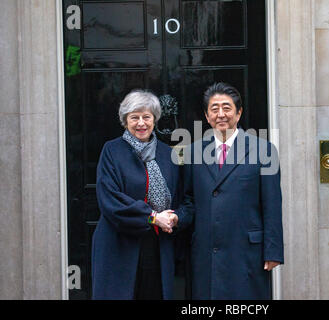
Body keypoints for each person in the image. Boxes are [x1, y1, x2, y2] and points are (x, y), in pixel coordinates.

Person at [173, 82, 284, 299]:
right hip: (206, 252)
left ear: (239, 112)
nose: (221, 114)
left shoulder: (263, 150)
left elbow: (272, 204)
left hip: (246, 251)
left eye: (227, 108)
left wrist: (273, 251)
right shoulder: (194, 152)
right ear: (206, 116)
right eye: (214, 109)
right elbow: (189, 200)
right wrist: (176, 218)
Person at [91, 89, 180, 300]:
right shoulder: (111, 151)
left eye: (146, 117)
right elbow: (110, 200)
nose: (141, 123)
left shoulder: (168, 154)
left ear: (154, 119)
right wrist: (152, 217)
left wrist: (176, 217)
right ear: (125, 121)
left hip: (158, 247)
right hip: (119, 245)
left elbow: (180, 196)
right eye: (134, 117)